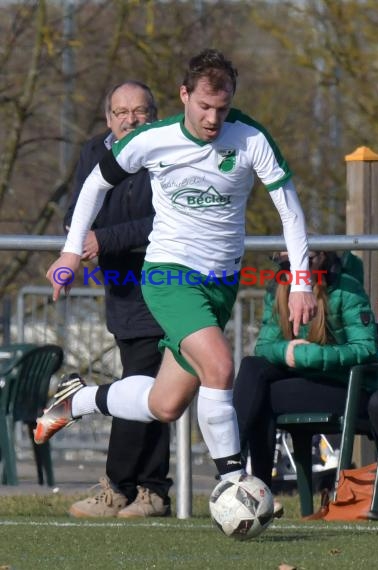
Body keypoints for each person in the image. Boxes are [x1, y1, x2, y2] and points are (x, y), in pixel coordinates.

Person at [35, 48, 317, 488]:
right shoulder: (153, 139)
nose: (212, 119)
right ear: (184, 95)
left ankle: (79, 400)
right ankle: (234, 485)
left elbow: (290, 211)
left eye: (221, 109)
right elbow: (95, 183)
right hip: (169, 275)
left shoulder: (250, 139)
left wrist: (302, 281)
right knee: (220, 366)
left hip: (220, 283)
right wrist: (72, 251)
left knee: (164, 403)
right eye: (204, 106)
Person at [64, 81, 172, 518]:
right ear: (109, 118)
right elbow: (77, 215)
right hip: (120, 284)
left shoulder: (167, 151)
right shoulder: (94, 152)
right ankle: (150, 489)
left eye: (140, 111)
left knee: (141, 381)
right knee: (145, 384)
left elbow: (164, 219)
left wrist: (104, 237)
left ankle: (121, 488)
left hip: (161, 278)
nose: (130, 119)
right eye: (121, 111)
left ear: (155, 114)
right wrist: (81, 245)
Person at [233, 249, 378, 494]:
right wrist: (286, 352)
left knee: (263, 397)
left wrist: (308, 356)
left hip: (345, 387)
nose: (297, 267)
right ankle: (239, 470)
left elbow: (366, 348)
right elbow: (264, 345)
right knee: (252, 368)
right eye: (288, 261)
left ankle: (254, 487)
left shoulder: (346, 288)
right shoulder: (278, 289)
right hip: (301, 383)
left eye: (307, 260)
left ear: (324, 258)